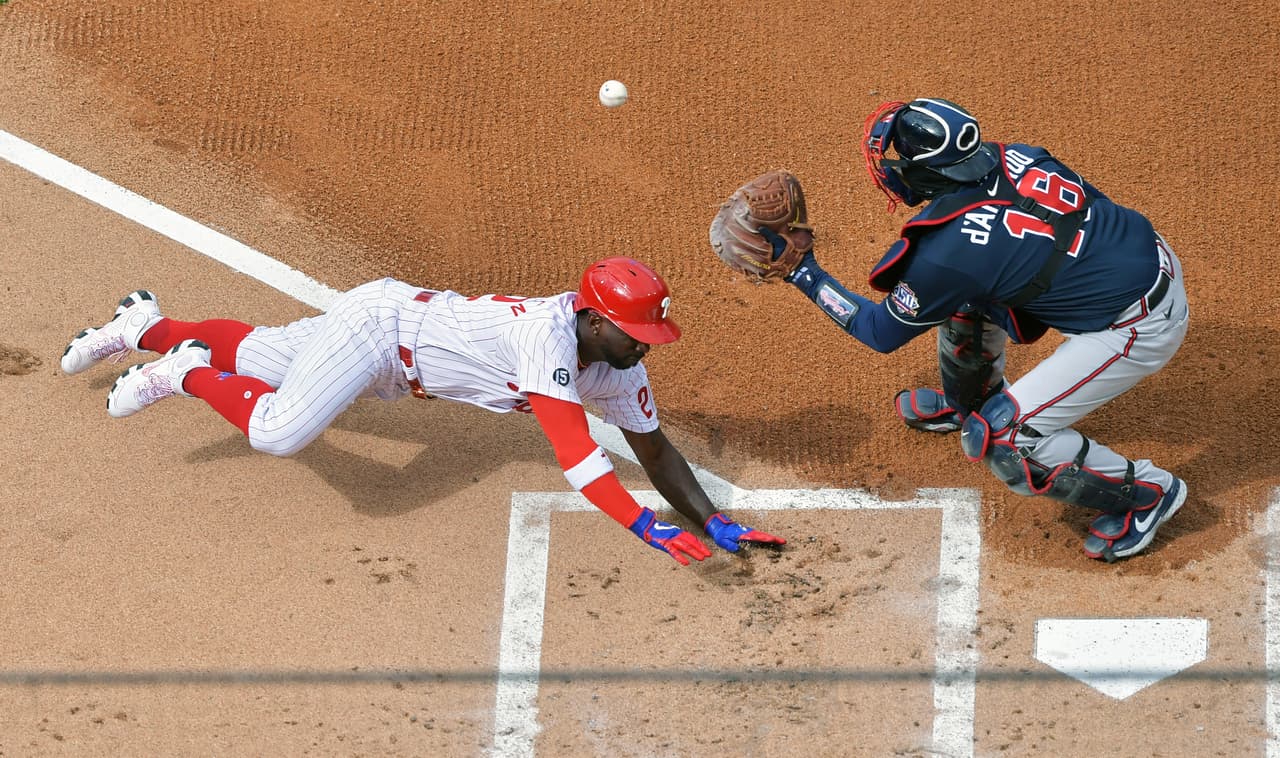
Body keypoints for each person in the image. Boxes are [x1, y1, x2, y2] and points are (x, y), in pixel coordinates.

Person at [61, 257, 785, 565]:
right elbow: (576, 455)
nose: (646, 350)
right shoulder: (549, 343)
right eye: (639, 336)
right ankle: (182, 369)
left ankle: (137, 327)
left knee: (254, 353)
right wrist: (645, 530)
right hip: (379, 332)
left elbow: (653, 450)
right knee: (279, 428)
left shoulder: (615, 363)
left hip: (392, 342)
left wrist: (708, 518)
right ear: (596, 320)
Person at [776, 98, 1189, 562]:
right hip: (1146, 256)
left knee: (1006, 441)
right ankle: (968, 401)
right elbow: (1095, 206)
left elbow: (880, 331)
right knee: (964, 301)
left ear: (928, 173)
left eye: (898, 161)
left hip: (1138, 325)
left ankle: (1149, 494)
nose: (889, 169)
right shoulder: (1021, 155)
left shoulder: (950, 254)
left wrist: (802, 273)